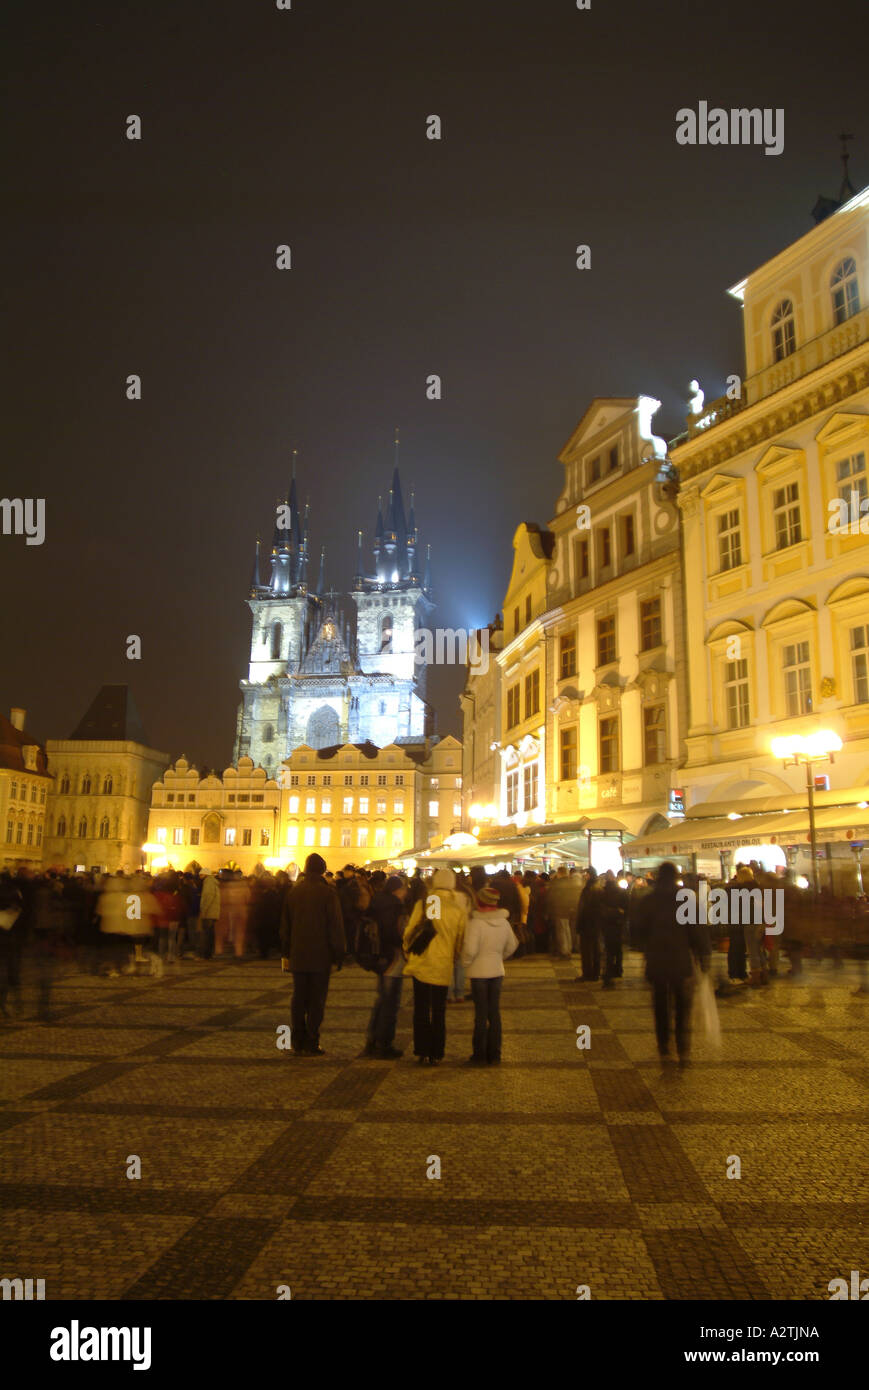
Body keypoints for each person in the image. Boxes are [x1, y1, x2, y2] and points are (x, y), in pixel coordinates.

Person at [636, 861, 709, 1067]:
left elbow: (638, 931)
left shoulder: (648, 900)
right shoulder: (686, 900)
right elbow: (697, 931)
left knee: (660, 1006)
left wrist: (647, 946)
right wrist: (703, 957)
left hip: (657, 961)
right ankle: (683, 1049)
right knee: (682, 1007)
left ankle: (664, 1047)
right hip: (680, 962)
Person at [280, 853, 345, 1056]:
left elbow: (285, 927)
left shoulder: (294, 892)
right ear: (322, 869)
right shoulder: (328, 893)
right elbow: (335, 926)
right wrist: (339, 953)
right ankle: (312, 1040)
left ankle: (297, 1040)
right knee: (316, 1000)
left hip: (298, 954)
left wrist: (286, 953)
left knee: (299, 998)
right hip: (320, 956)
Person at [402, 867, 467, 1065]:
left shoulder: (430, 902)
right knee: (439, 1010)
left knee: (421, 1008)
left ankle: (422, 1050)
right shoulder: (457, 908)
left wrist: (407, 951)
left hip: (422, 962)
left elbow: (411, 931)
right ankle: (437, 1053)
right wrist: (453, 956)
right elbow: (460, 940)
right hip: (442, 964)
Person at [461, 883, 518, 1065]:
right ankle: (495, 1054)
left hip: (479, 973)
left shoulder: (476, 923)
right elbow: (512, 945)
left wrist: (465, 964)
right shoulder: (504, 922)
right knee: (494, 1013)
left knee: (481, 1014)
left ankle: (479, 1054)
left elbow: (469, 950)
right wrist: (499, 957)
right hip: (497, 971)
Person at [362, 874, 408, 1058]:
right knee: (390, 1003)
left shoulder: (377, 902)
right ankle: (384, 1044)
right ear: (397, 890)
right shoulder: (393, 906)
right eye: (404, 889)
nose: (405, 893)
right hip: (392, 959)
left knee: (382, 1000)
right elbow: (392, 933)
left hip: (380, 958)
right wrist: (405, 941)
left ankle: (373, 1040)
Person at [547, 866, 582, 959]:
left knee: (562, 931)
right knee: (568, 930)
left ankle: (564, 951)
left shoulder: (558, 883)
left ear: (559, 873)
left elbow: (552, 897)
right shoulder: (571, 882)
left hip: (560, 909)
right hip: (570, 910)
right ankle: (568, 949)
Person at [575, 867, 603, 981]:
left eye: (585, 874)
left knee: (587, 950)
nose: (584, 876)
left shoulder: (589, 889)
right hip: (595, 923)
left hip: (588, 923)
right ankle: (595, 973)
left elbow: (583, 908)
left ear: (589, 875)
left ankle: (587, 973)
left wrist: (579, 923)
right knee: (595, 949)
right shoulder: (598, 887)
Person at [198, 868, 220, 959]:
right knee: (210, 934)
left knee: (206, 934)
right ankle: (209, 954)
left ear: (205, 874)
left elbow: (208, 896)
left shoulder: (208, 882)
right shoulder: (213, 882)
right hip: (213, 912)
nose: (200, 877)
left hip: (209, 912)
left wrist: (204, 910)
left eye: (201, 875)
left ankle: (206, 954)